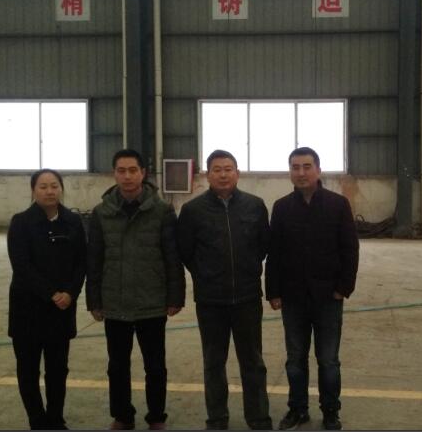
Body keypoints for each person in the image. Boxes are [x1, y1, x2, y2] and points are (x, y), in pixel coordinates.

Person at [86, 149, 185, 431]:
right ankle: (122, 415)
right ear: (114, 174)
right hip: (114, 301)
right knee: (117, 365)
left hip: (151, 301)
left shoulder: (162, 211)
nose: (127, 176)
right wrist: (94, 300)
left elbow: (172, 257)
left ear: (143, 173)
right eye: (121, 171)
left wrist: (175, 297)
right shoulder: (101, 213)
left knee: (155, 365)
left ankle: (156, 416)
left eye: (133, 170)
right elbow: (94, 259)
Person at [265, 147, 359, 431]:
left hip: (328, 297)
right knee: (295, 359)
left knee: (328, 360)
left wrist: (344, 288)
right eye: (295, 167)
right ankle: (298, 409)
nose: (301, 172)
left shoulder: (337, 205)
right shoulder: (282, 207)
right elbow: (275, 253)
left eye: (307, 166)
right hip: (293, 298)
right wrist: (273, 291)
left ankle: (330, 411)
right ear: (290, 172)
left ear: (318, 170)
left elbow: (349, 249)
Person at [177, 149, 272, 430]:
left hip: (247, 298)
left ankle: (258, 417)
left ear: (237, 173)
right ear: (207, 175)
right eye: (217, 170)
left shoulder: (255, 206)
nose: (223, 174)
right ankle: (217, 418)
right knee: (213, 362)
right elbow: (186, 251)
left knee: (253, 361)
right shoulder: (192, 211)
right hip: (211, 301)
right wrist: (206, 275)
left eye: (228, 169)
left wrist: (247, 269)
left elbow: (263, 246)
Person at [7, 168, 87, 430]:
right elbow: (22, 266)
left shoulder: (73, 222)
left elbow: (81, 262)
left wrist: (71, 293)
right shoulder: (21, 223)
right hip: (27, 309)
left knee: (58, 369)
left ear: (61, 188)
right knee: (28, 369)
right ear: (33, 191)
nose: (49, 191)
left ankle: (55, 418)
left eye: (54, 185)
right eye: (43, 186)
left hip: (61, 309)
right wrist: (51, 293)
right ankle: (37, 420)